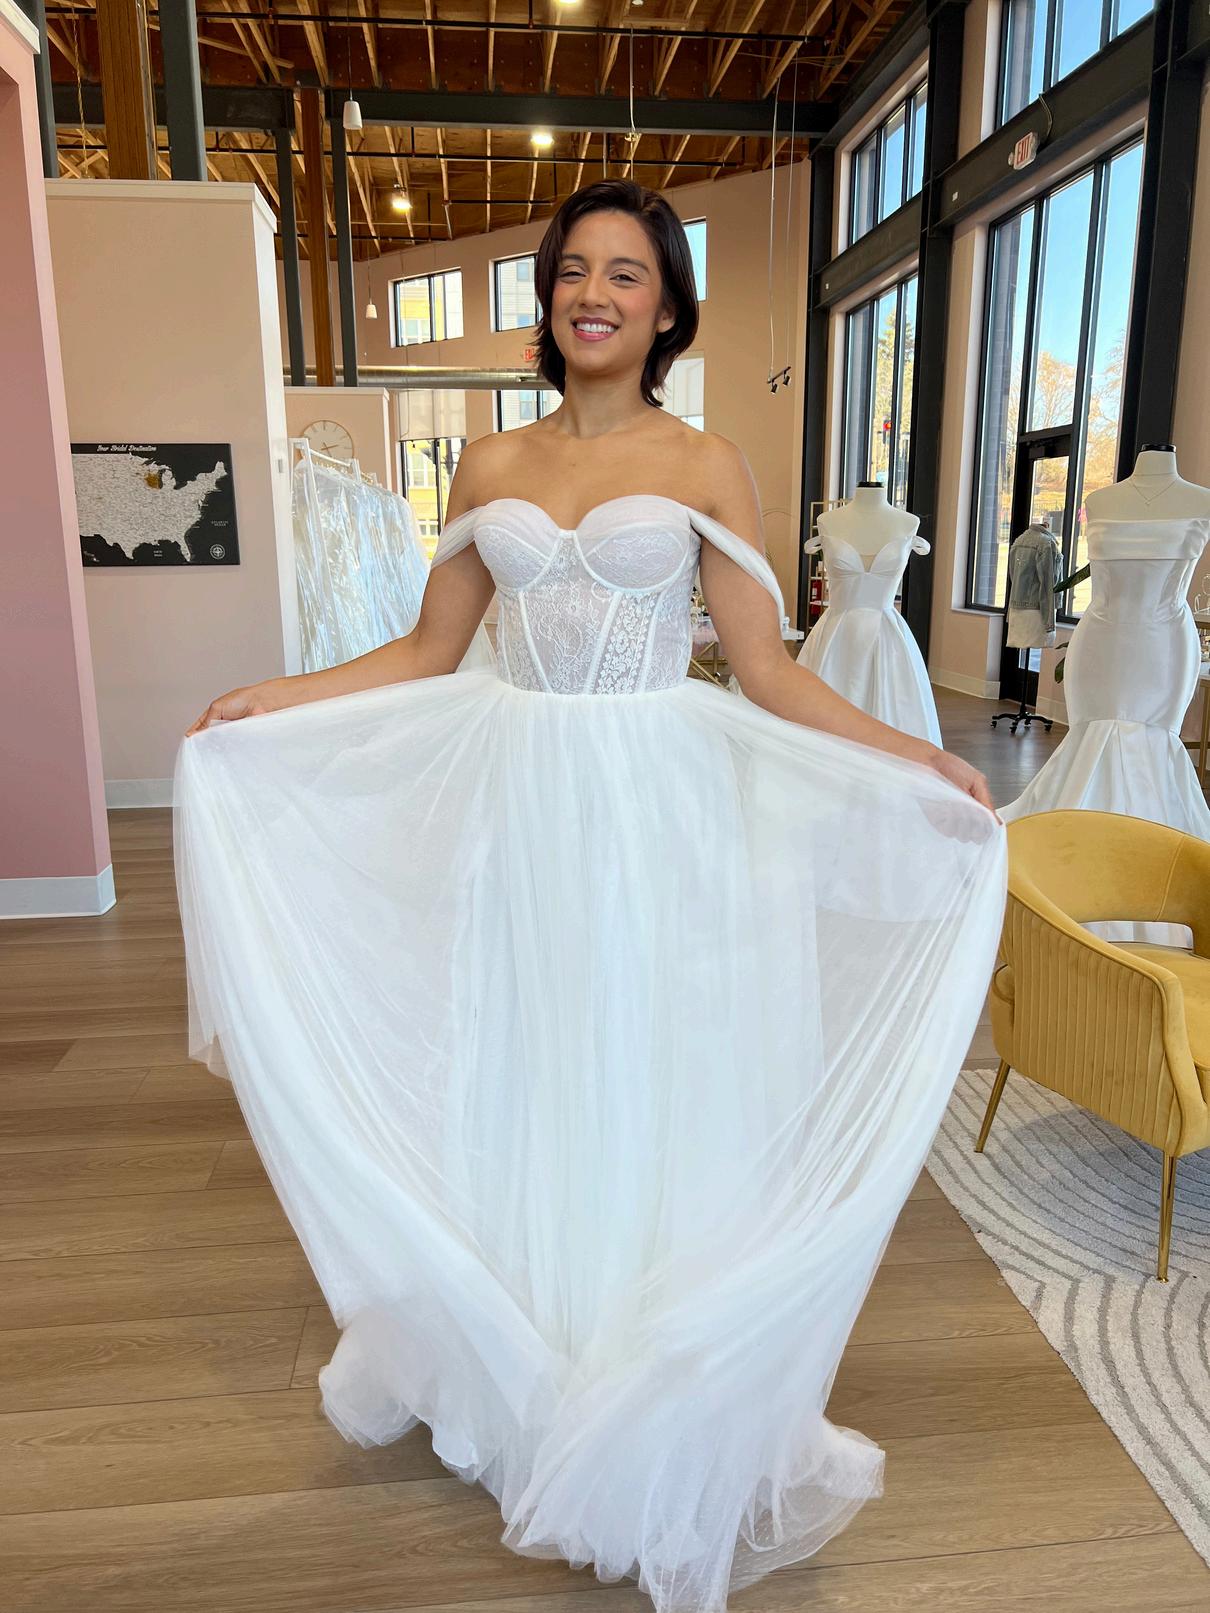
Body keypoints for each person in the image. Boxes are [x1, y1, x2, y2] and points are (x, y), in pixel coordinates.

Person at [175, 180, 1006, 1613]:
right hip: (521, 806)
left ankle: (641, 1365)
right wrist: (277, 698)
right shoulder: (489, 461)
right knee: (528, 1057)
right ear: (548, 297)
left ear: (668, 306)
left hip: (653, 806)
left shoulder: (705, 461)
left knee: (649, 1064)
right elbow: (428, 651)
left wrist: (914, 753)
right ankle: (535, 1353)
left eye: (625, 273)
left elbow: (765, 667)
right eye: (572, 269)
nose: (594, 293)